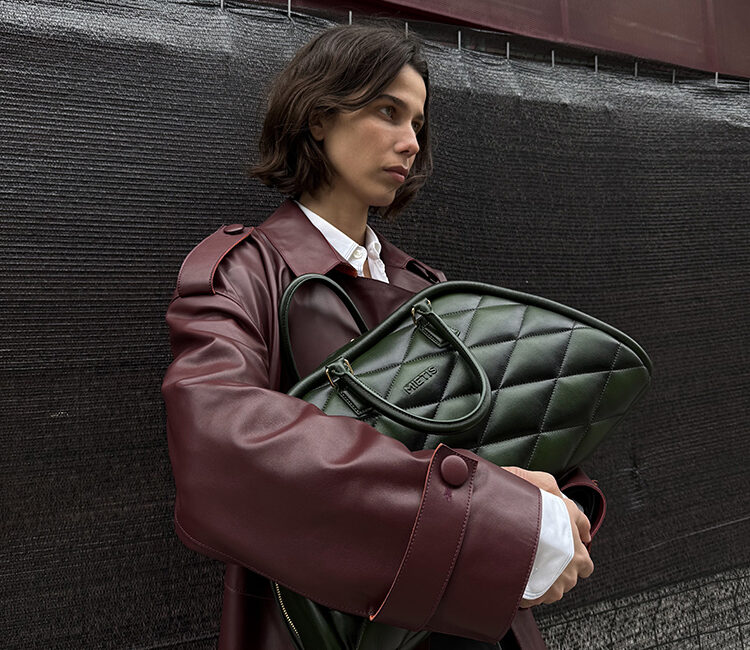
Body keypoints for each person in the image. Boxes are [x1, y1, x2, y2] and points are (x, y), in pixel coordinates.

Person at [162, 23, 604, 650]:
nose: (410, 143)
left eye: (417, 124)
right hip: (326, 626)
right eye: (388, 112)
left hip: (472, 621)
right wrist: (501, 518)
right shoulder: (243, 273)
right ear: (319, 117)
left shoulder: (430, 288)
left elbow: (508, 427)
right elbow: (219, 443)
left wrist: (564, 506)